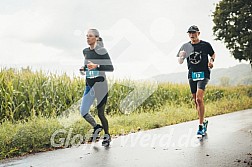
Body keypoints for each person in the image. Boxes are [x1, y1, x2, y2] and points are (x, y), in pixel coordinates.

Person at [177, 25, 215, 136]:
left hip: (204, 74)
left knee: (199, 99)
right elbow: (180, 61)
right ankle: (204, 121)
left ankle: (200, 126)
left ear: (198, 33)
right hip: (192, 75)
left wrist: (211, 61)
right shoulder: (185, 46)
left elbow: (213, 54)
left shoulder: (205, 45)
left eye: (194, 32)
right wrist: (181, 56)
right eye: (190, 33)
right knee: (196, 101)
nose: (191, 35)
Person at [80, 29, 114, 146]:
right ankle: (96, 127)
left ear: (96, 38)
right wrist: (83, 69)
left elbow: (111, 68)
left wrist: (97, 66)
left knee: (100, 113)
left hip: (100, 86)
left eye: (90, 36)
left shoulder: (103, 52)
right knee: (83, 111)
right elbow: (87, 66)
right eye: (87, 36)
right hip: (89, 86)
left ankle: (107, 136)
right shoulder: (85, 51)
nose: (87, 38)